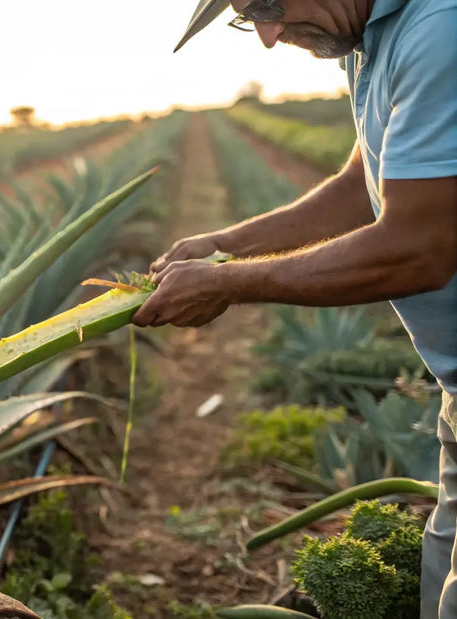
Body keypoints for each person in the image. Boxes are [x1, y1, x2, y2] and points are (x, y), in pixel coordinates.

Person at [140, 0, 457, 615]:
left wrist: (228, 284)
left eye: (270, 5)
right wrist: (224, 247)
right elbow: (360, 188)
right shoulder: (366, 34)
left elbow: (419, 249)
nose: (266, 36)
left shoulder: (441, 29)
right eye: (247, 16)